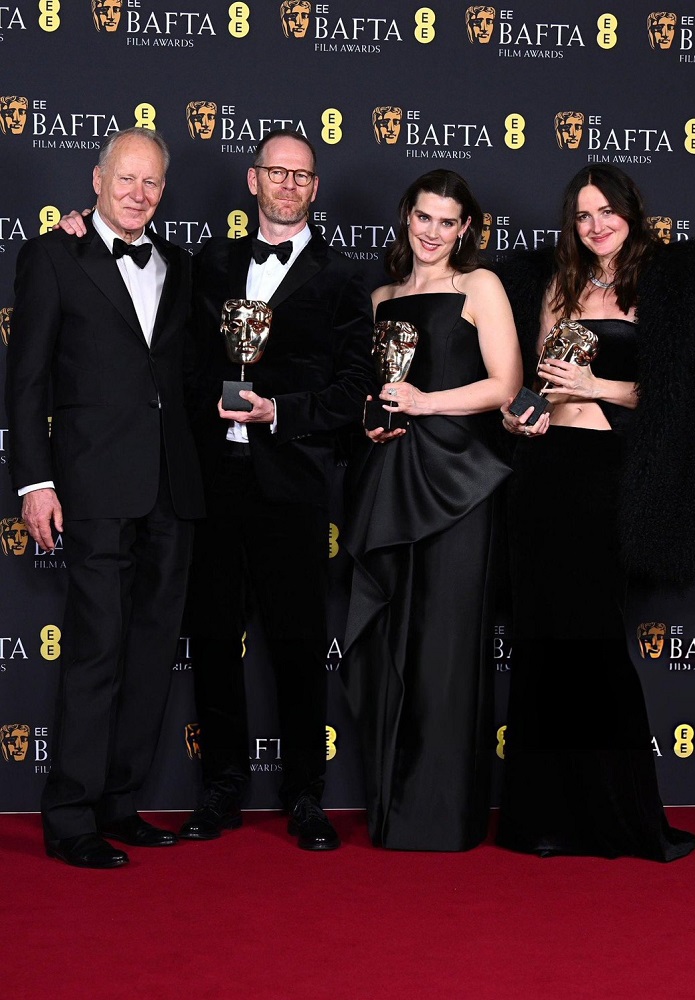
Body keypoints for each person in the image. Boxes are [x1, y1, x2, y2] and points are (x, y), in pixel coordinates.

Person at [495, 163, 695, 861]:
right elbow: (533, 383)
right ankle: (542, 820)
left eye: (607, 212)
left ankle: (620, 819)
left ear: (632, 211)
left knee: (594, 642)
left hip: (605, 474)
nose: (596, 226)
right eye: (583, 215)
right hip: (541, 473)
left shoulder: (665, 284)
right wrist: (519, 416)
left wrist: (596, 384)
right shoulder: (554, 284)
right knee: (541, 642)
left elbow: (682, 395)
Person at [5, 127, 205, 869]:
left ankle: (121, 802)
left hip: (171, 489)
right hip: (91, 486)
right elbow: (26, 379)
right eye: (126, 178)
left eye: (151, 182)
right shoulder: (54, 255)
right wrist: (35, 482)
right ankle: (70, 815)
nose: (138, 194)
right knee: (94, 649)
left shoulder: (180, 265)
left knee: (151, 653)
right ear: (96, 179)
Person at [180, 128, 375, 850]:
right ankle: (221, 787)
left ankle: (304, 794)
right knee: (211, 636)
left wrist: (279, 412)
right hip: (213, 482)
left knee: (297, 642)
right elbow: (182, 360)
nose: (288, 184)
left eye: (301, 175)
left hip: (291, 482)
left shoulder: (343, 277)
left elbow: (353, 387)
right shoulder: (210, 262)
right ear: (253, 180)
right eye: (277, 171)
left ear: (314, 188)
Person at [341, 169, 522, 851]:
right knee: (394, 642)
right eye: (424, 217)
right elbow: (376, 391)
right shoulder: (381, 298)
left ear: (466, 228)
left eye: (448, 222)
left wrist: (423, 403)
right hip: (392, 478)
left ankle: (443, 816)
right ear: (406, 216)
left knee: (446, 648)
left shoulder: (481, 286)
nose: (433, 233)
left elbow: (506, 385)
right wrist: (375, 419)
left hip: (460, 484)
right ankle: (393, 808)